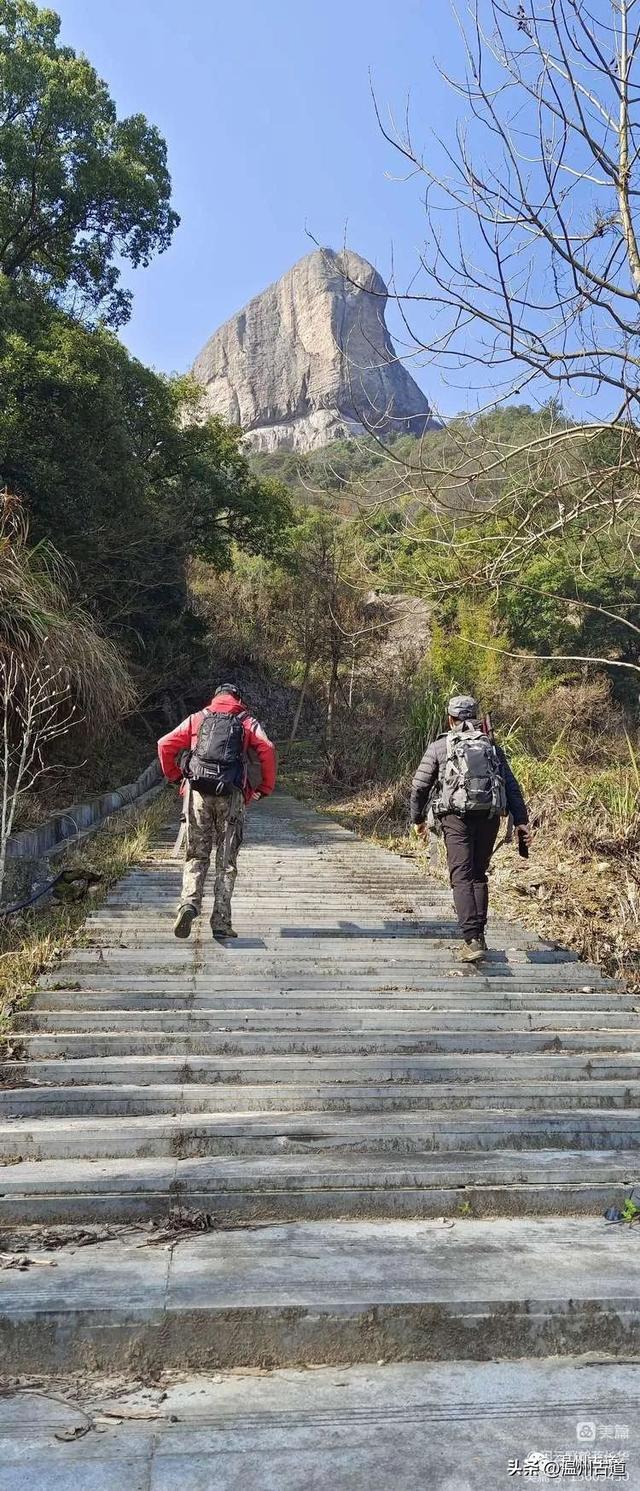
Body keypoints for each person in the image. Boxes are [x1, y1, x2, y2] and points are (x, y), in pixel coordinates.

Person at [409, 694, 530, 962]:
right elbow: (511, 785)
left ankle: (471, 939)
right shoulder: (492, 747)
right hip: (489, 816)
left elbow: (419, 787)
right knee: (478, 874)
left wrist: (418, 819)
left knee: (461, 876)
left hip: (455, 819)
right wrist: (521, 820)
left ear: (450, 718)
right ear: (475, 717)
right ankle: (479, 935)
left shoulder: (440, 746)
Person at [158, 684, 277, 941]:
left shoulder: (198, 718)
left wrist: (174, 775)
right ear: (238, 699)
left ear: (215, 698)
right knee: (226, 861)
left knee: (196, 854)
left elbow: (165, 743)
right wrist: (264, 787)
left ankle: (189, 904)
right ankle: (221, 922)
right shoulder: (246, 721)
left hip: (197, 792)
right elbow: (267, 748)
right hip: (231, 795)